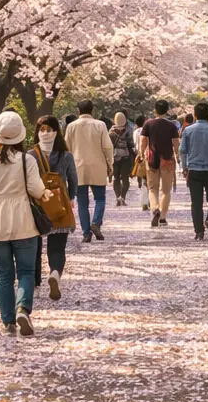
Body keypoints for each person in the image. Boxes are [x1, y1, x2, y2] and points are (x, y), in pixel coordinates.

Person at [0, 111, 47, 336]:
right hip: (23, 218)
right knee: (26, 270)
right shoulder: (27, 160)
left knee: (3, 274)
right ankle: (23, 307)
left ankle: (8, 321)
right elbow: (36, 189)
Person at [31, 115, 78, 300]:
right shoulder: (66, 155)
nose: (44, 133)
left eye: (45, 129)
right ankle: (55, 273)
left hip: (36, 204)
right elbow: (73, 180)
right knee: (57, 247)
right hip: (59, 203)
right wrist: (72, 197)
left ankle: (34, 284)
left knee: (34, 245)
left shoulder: (30, 155)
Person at [64, 101, 112, 242]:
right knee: (100, 198)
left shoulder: (71, 126)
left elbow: (67, 148)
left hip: (78, 166)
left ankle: (86, 233)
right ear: (92, 111)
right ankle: (96, 223)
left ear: (78, 110)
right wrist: (110, 163)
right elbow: (107, 147)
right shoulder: (100, 125)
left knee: (82, 202)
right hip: (98, 165)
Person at [179, 102, 208, 239]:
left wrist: (184, 167)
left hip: (194, 170)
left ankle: (199, 231)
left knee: (196, 202)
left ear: (195, 115)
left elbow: (183, 151)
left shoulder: (188, 131)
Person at [140, 100, 179, 227]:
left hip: (151, 159)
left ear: (155, 110)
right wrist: (177, 156)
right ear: (167, 110)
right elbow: (176, 143)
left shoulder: (148, 124)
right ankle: (162, 217)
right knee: (166, 190)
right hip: (167, 159)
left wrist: (141, 154)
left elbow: (143, 142)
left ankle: (155, 208)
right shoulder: (172, 125)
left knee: (152, 189)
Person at [109, 112, 134, 207]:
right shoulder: (128, 131)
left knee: (116, 178)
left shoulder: (111, 131)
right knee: (125, 178)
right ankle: (123, 197)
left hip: (114, 157)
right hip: (125, 156)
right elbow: (131, 144)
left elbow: (108, 145)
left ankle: (117, 197)